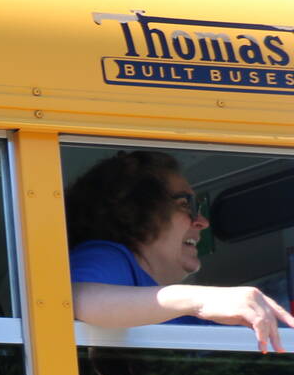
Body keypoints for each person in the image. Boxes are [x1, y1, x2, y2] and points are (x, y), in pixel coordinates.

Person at [66, 149, 293, 351]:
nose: (203, 222)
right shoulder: (107, 254)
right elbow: (74, 298)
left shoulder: (183, 312)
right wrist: (200, 300)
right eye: (186, 205)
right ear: (133, 210)